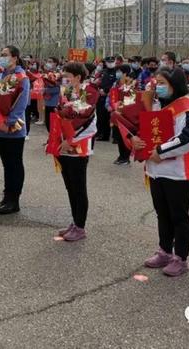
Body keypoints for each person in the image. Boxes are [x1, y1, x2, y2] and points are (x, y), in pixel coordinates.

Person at [132, 67, 189, 277]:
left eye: (162, 83)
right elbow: (143, 128)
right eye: (156, 82)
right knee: (162, 213)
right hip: (155, 170)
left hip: (178, 172)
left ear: (175, 84)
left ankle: (181, 257)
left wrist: (160, 151)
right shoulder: (155, 103)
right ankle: (164, 250)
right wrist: (134, 140)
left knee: (178, 215)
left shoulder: (186, 107)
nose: (157, 87)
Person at [54, 62, 99, 242]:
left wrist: (70, 139)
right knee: (70, 186)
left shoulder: (89, 93)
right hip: (64, 144)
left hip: (78, 146)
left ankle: (80, 226)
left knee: (79, 187)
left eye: (68, 76)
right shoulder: (67, 92)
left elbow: (89, 123)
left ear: (78, 77)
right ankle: (74, 221)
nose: (65, 79)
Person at [0, 45, 30, 214]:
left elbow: (22, 104)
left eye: (5, 55)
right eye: (1, 55)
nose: (2, 58)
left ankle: (14, 200)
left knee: (14, 164)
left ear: (15, 58)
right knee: (6, 165)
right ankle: (6, 197)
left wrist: (10, 123)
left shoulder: (22, 77)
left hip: (13, 129)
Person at [106, 63, 136, 165]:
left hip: (126, 114)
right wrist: (110, 105)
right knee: (118, 135)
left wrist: (123, 106)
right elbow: (111, 95)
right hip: (116, 113)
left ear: (125, 73)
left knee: (125, 136)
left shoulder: (131, 84)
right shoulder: (116, 83)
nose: (117, 73)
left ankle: (125, 157)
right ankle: (121, 155)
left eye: (119, 72)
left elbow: (133, 99)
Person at [95, 57, 117, 141]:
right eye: (109, 62)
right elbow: (98, 81)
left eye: (112, 62)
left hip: (111, 96)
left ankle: (107, 135)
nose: (110, 63)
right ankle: (100, 133)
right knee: (100, 116)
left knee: (109, 117)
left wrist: (107, 91)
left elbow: (115, 84)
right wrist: (99, 89)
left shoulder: (116, 72)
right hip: (101, 96)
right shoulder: (103, 72)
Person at [42, 57, 61, 132]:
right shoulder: (47, 73)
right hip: (48, 101)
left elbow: (58, 89)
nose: (48, 63)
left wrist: (45, 90)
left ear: (55, 63)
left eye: (50, 61)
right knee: (48, 123)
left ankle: (53, 141)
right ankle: (50, 140)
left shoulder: (58, 74)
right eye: (48, 61)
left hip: (55, 102)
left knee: (53, 124)